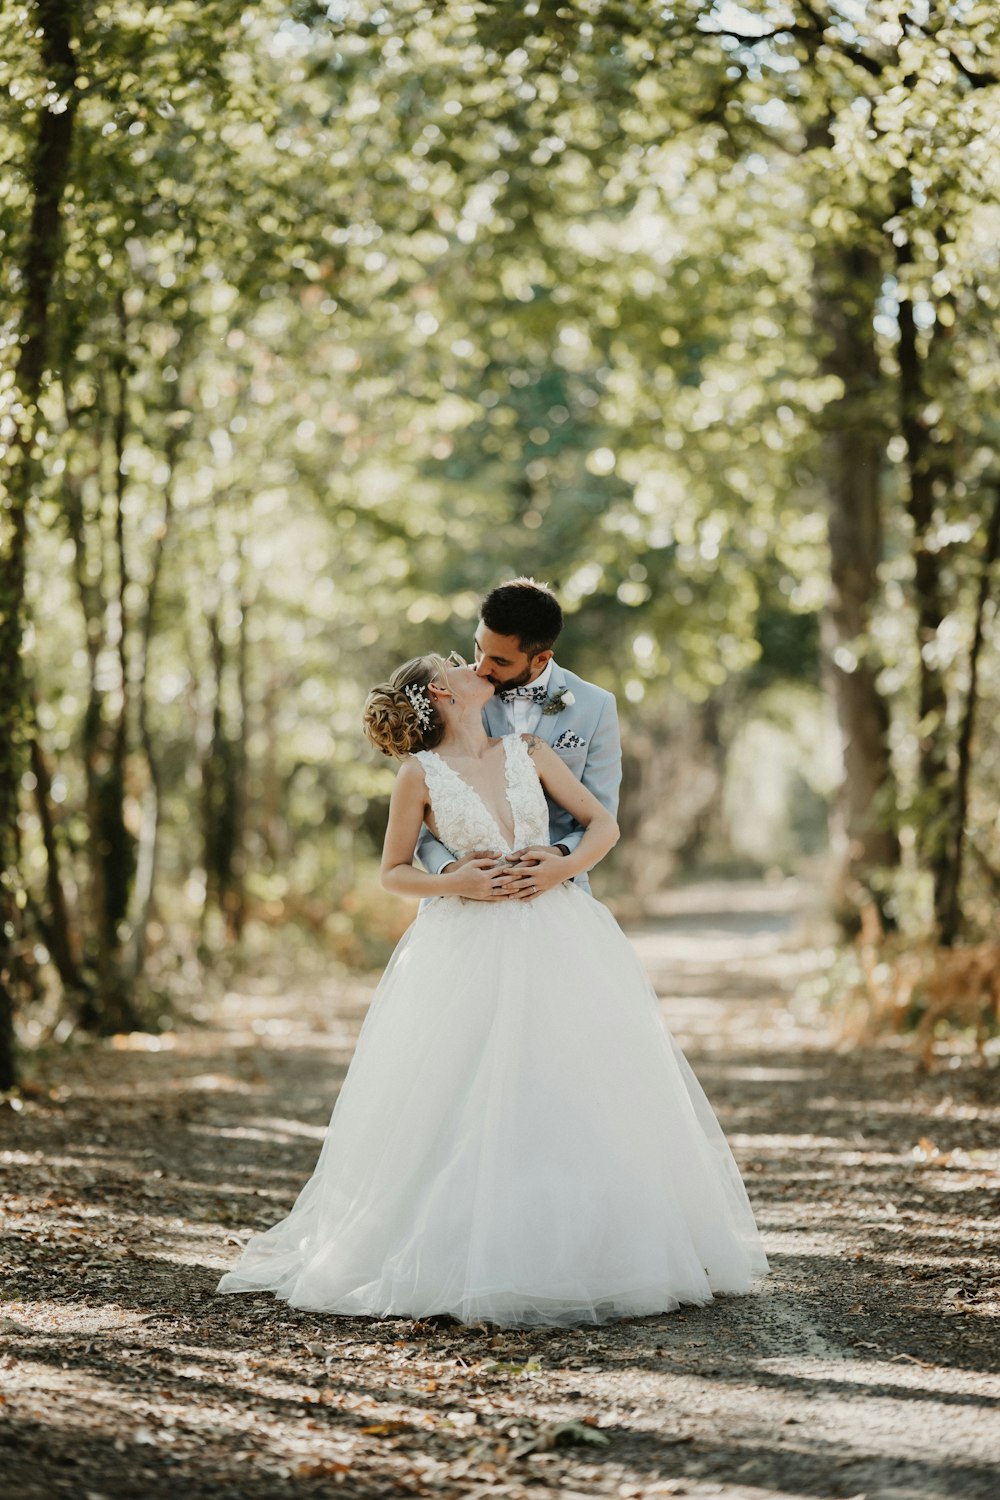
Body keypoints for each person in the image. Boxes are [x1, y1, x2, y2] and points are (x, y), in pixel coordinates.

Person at [215, 651, 769, 1327]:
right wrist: (455, 881)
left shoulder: (527, 749)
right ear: (442, 692)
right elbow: (392, 871)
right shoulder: (418, 776)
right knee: (467, 1090)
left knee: (573, 1081)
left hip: (557, 929)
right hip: (465, 941)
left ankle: (596, 1247)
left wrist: (558, 865)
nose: (472, 662)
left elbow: (604, 826)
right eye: (455, 662)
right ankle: (470, 1251)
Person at [416, 578, 621, 899]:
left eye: (499, 661)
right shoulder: (453, 697)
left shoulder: (596, 707)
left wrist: (563, 861)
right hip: (465, 898)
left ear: (541, 658)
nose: (480, 668)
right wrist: (451, 873)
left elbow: (603, 817)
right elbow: (425, 808)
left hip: (559, 894)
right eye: (478, 648)